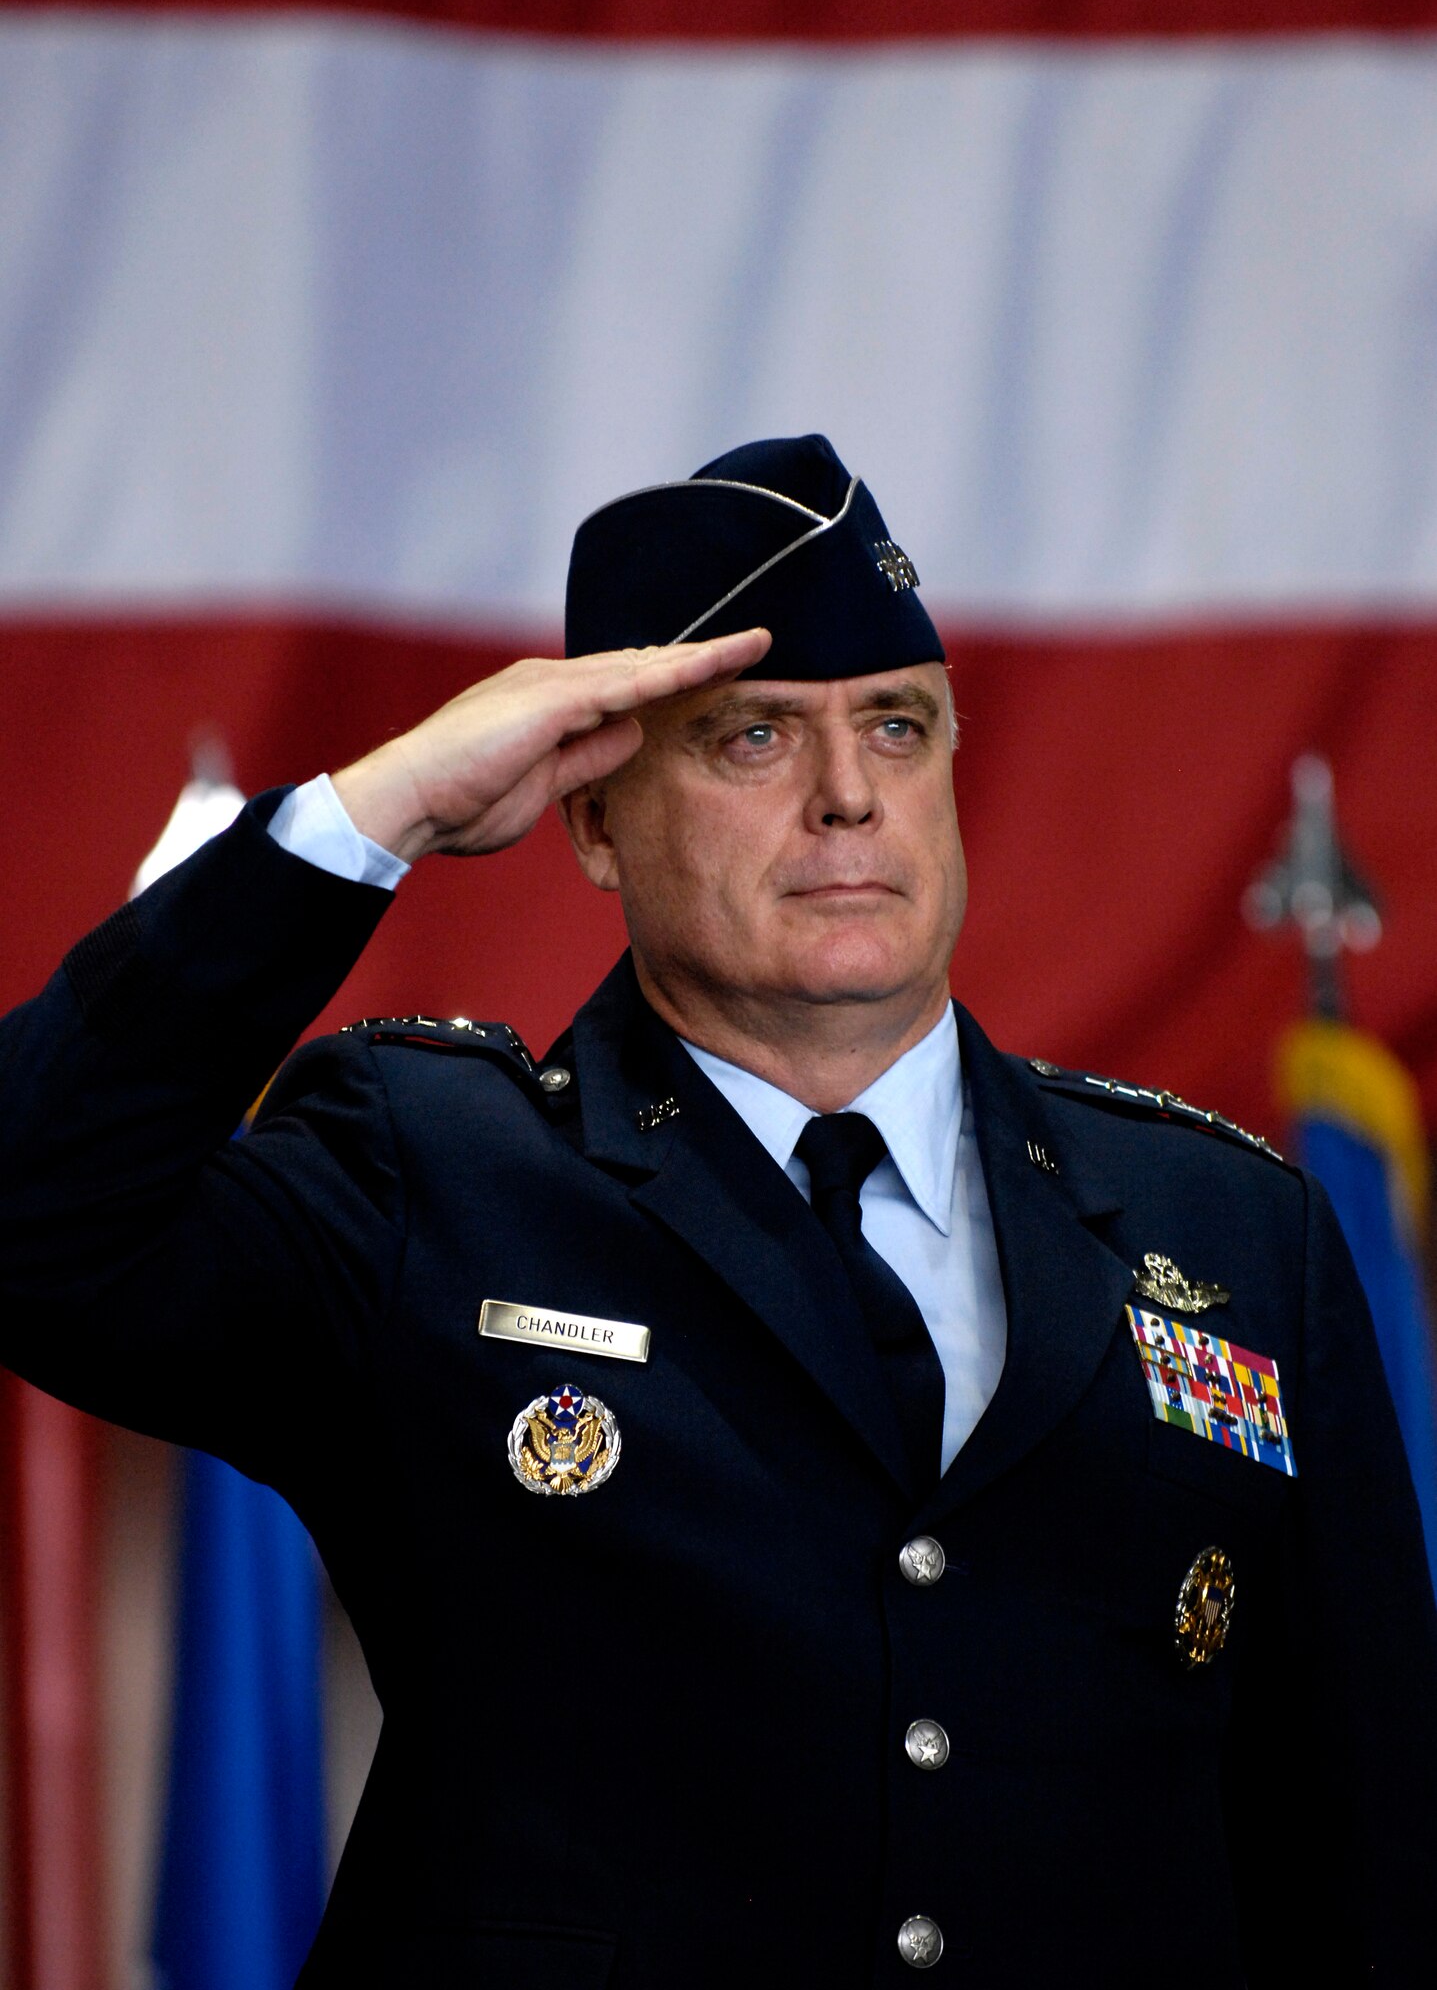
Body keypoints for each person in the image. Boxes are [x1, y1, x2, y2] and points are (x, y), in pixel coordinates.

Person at [1, 434, 1434, 1987]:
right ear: (594, 818)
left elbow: (1367, 1866)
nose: (844, 798)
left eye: (896, 729)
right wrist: (373, 813)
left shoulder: (1226, 1230)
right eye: (750, 739)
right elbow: (32, 1213)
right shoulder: (430, 1173)